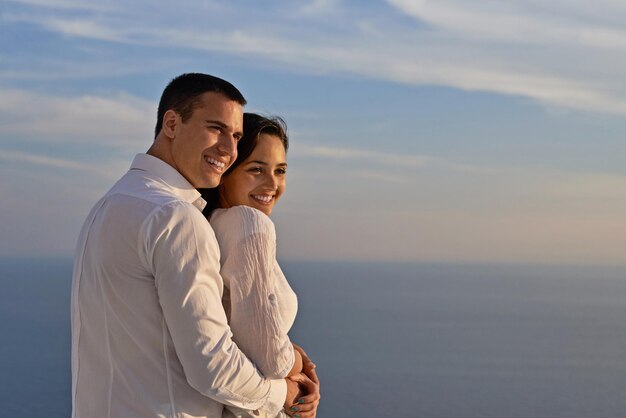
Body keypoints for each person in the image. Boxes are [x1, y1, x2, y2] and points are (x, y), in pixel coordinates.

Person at [71, 73, 317, 418]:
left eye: (235, 136)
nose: (229, 150)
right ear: (171, 123)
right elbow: (213, 364)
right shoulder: (175, 217)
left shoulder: (110, 205)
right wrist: (283, 392)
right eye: (215, 128)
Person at [199, 114, 320, 418]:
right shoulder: (250, 225)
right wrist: (298, 364)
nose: (272, 184)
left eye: (280, 171)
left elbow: (244, 332)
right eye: (256, 170)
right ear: (225, 172)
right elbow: (271, 359)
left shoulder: (211, 224)